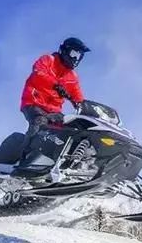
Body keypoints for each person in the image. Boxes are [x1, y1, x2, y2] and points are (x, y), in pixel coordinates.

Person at [18, 37, 90, 167]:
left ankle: (67, 164)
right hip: (34, 103)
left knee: (72, 128)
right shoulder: (48, 60)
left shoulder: (72, 76)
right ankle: (22, 159)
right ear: (65, 51)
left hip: (53, 111)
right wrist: (56, 85)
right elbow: (38, 72)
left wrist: (84, 106)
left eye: (79, 56)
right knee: (39, 123)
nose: (76, 59)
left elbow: (78, 96)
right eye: (74, 54)